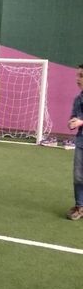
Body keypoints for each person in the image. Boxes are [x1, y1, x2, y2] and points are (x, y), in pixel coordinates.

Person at [66, 64, 83, 220]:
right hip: (81, 141)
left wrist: (81, 122)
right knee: (78, 176)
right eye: (77, 75)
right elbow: (73, 117)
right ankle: (80, 206)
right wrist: (71, 123)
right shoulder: (77, 99)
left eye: (81, 76)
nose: (78, 79)